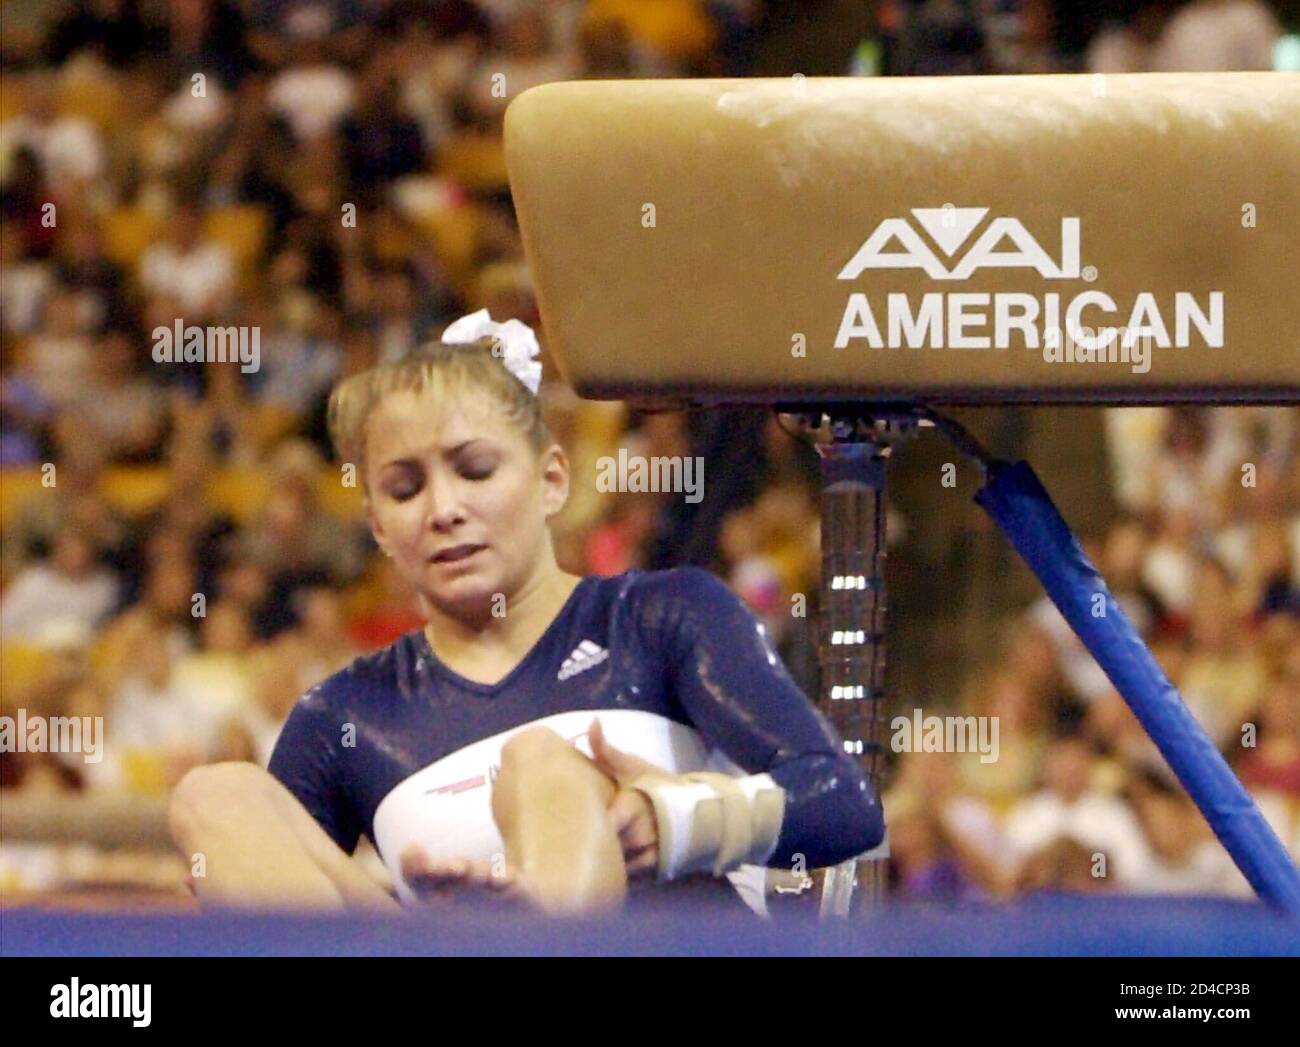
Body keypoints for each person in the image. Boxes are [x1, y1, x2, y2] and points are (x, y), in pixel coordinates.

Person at [169, 310, 884, 917]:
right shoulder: (345, 716)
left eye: (475, 469)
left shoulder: (660, 616)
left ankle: (532, 939)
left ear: (551, 480)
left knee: (544, 764)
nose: (445, 509)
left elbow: (845, 807)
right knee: (216, 797)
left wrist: (680, 820)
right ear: (379, 526)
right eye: (405, 486)